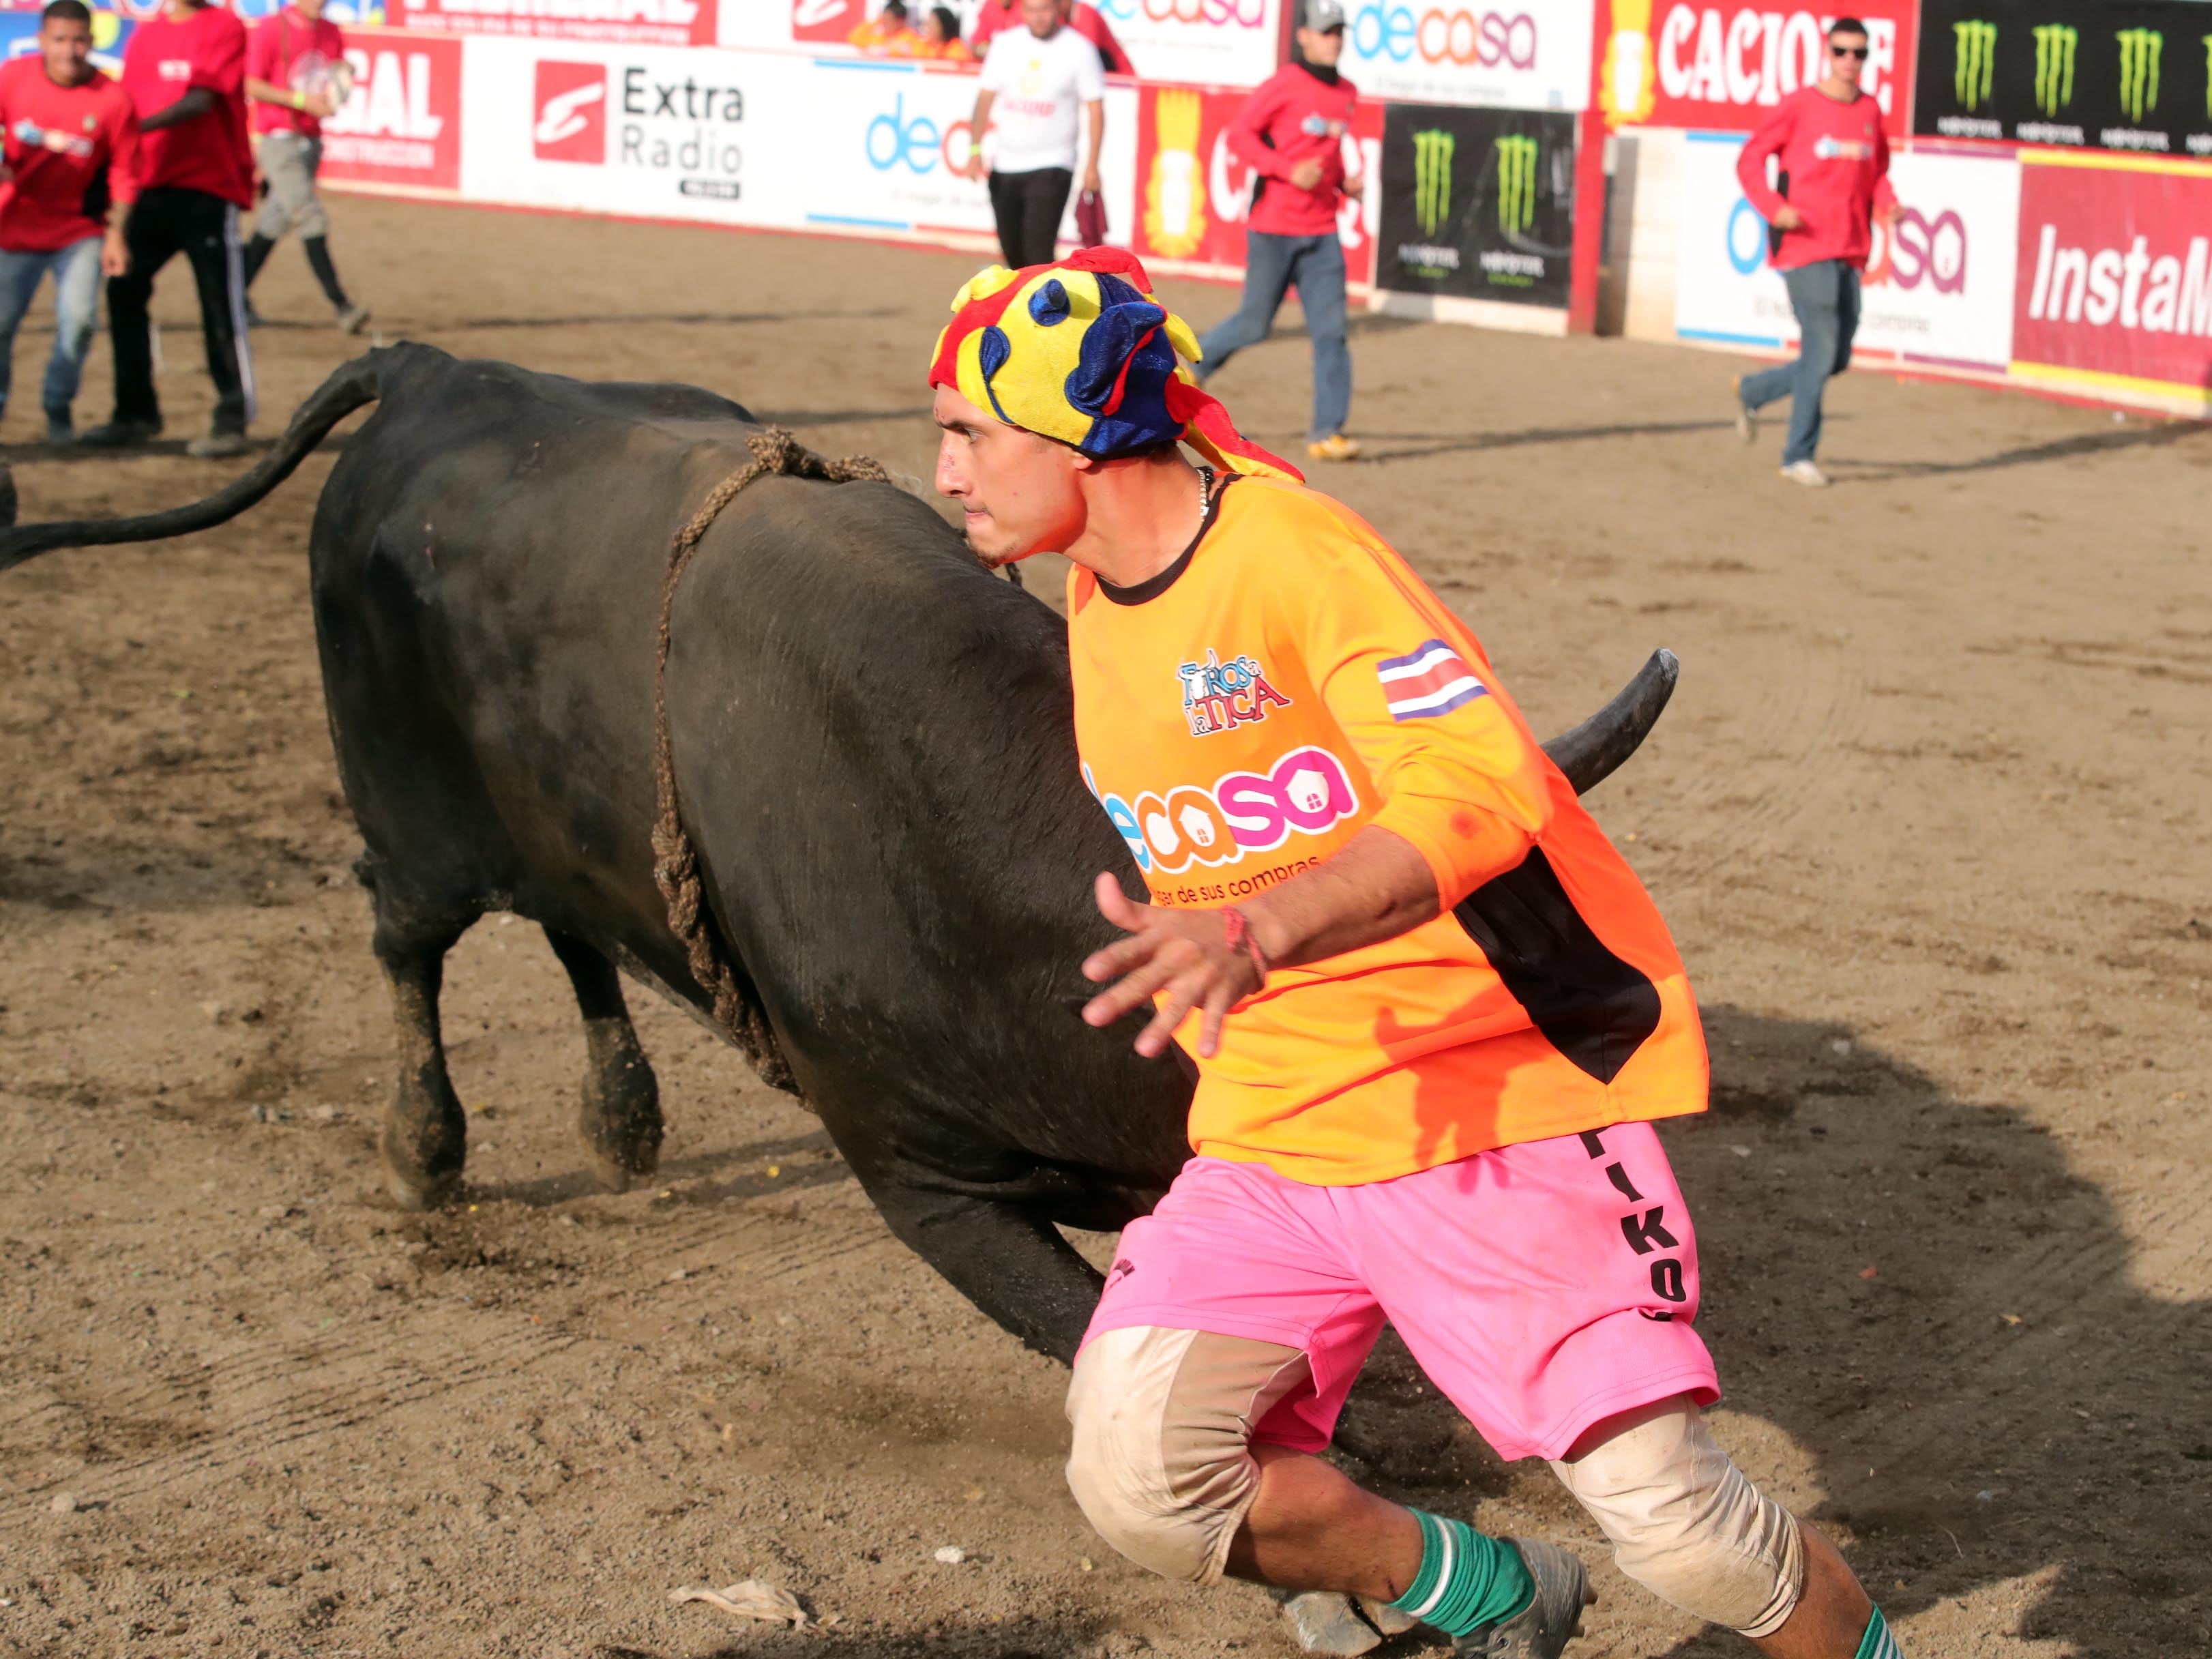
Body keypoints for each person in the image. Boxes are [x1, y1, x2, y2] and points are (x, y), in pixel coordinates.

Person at [927, 246, 1912, 1659]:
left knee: (1675, 1521)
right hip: (1279, 1117)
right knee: (1137, 1470)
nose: (947, 470)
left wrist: (1257, 925)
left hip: (1484, 1098)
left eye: (968, 431)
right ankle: (1488, 1591)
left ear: (1082, 435)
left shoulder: (1293, 557)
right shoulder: (1095, 584)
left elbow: (1480, 787)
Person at [83, 0, 254, 457]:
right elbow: (124, 103)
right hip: (150, 185)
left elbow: (202, 100)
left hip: (207, 187)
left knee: (218, 303)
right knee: (124, 289)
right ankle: (135, 413)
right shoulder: (147, 34)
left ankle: (232, 416)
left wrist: (135, 127)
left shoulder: (224, 25)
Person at [1195, 0, 1362, 464]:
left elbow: (1328, 152)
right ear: (1304, 37)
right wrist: (1286, 170)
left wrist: (1344, 182)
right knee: (1253, 324)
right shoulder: (1284, 85)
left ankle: (1327, 432)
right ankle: (1191, 369)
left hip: (1323, 232)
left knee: (1331, 334)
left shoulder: (1347, 91)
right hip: (1274, 227)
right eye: (1325, 32)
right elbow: (1240, 135)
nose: (1333, 39)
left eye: (1338, 32)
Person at [1732, 16, 1894, 488]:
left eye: (1859, 53)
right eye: (1841, 51)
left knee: (1835, 358)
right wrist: (1772, 207)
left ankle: (1752, 391)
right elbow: (1749, 159)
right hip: (1804, 247)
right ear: (1827, 52)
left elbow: (1877, 171)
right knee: (1820, 350)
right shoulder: (1799, 106)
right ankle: (1797, 454)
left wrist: (1888, 204)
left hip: (1850, 247)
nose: (1850, 61)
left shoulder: (1869, 111)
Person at [0, 0, 138, 445]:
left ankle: (57, 404)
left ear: (92, 42)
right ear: (42, 40)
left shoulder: (113, 99)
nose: (70, 50)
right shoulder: (10, 79)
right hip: (13, 227)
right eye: (60, 39)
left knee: (78, 322)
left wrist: (117, 235)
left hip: (79, 231)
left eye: (79, 39)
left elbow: (124, 173)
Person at [242, 0, 369, 334]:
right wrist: (300, 101)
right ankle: (342, 306)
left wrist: (340, 87)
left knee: (274, 220)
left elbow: (335, 77)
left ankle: (231, 295)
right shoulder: (272, 29)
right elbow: (251, 84)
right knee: (310, 216)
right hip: (279, 140)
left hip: (311, 140)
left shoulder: (331, 31)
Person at [963, 0, 1102, 272]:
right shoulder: (1004, 44)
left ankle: (1049, 313)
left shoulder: (1079, 49)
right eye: (1032, 10)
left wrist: (1092, 165)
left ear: (1058, 9)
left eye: (1045, 9)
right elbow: (985, 98)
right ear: (1023, 10)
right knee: (1012, 252)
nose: (1039, 17)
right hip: (1006, 163)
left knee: (1037, 252)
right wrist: (974, 150)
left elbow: (1095, 109)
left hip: (1054, 163)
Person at [971, 0, 1131, 74]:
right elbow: (976, 45)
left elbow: (1081, 61)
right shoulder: (994, 6)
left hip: (1118, 85)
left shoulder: (1083, 14)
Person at [894, 5, 973, 60]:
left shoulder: (957, 49)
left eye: (932, 23)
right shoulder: (923, 45)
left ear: (944, 27)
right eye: (927, 22)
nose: (927, 27)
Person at [847, 0, 913, 53]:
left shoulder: (908, 36)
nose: (884, 23)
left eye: (888, 20)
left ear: (900, 21)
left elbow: (917, 51)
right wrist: (877, 21)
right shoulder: (879, 35)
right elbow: (854, 38)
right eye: (883, 19)